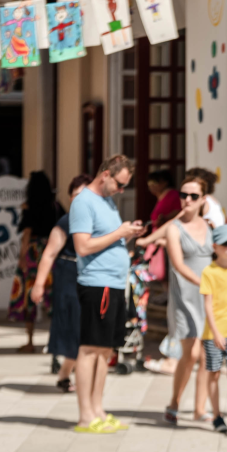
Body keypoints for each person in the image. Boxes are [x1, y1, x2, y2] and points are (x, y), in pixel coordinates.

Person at [69, 155, 144, 433]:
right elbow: (83, 246)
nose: (122, 190)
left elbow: (107, 238)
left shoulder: (107, 202)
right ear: (105, 175)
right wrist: (120, 233)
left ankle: (97, 408)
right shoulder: (83, 202)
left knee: (104, 350)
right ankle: (85, 415)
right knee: (90, 348)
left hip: (113, 283)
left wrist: (129, 234)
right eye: (120, 184)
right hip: (96, 284)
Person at [31, 174, 91, 393]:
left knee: (86, 330)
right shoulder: (65, 222)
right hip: (68, 275)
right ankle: (66, 373)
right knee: (73, 327)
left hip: (91, 276)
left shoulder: (97, 220)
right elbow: (48, 254)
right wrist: (38, 284)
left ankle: (66, 373)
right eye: (76, 195)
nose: (80, 200)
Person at [162, 173, 213, 425]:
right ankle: (174, 402)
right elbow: (178, 264)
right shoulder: (174, 228)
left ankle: (199, 408)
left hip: (208, 297)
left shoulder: (210, 226)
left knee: (206, 354)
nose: (187, 200)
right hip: (185, 294)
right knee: (190, 353)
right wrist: (203, 282)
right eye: (183, 195)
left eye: (193, 196)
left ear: (203, 199)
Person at [10, 171, 62, 353]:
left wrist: (22, 257)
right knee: (53, 298)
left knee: (29, 298)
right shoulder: (56, 206)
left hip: (33, 253)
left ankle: (30, 341)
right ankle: (54, 339)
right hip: (52, 251)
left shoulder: (30, 207)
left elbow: (26, 233)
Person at [200, 224, 227, 434]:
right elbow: (207, 304)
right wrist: (216, 333)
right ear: (215, 246)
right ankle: (217, 416)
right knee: (214, 374)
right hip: (213, 333)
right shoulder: (209, 272)